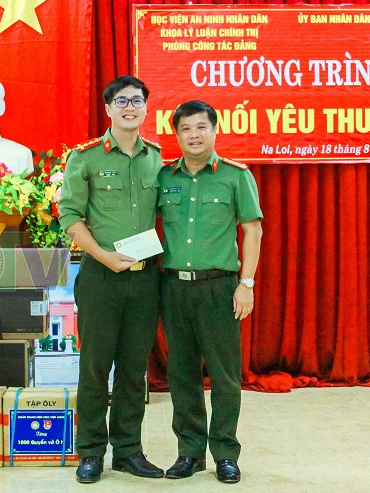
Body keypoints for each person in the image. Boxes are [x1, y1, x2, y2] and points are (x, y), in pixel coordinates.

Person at [58, 75, 164, 484]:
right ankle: (89, 452)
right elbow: (70, 216)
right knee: (95, 368)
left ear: (146, 108)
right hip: (100, 277)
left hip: (145, 280)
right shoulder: (85, 158)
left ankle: (128, 450)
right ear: (108, 108)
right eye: (121, 101)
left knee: (134, 370)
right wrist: (103, 255)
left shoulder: (157, 159)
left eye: (137, 101)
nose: (129, 107)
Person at [158, 100, 263, 484]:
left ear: (214, 130)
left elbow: (252, 230)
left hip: (219, 288)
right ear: (177, 134)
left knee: (224, 376)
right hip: (173, 287)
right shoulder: (165, 176)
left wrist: (246, 284)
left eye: (201, 127)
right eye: (185, 128)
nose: (194, 135)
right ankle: (189, 453)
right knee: (182, 374)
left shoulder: (235, 176)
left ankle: (225, 453)